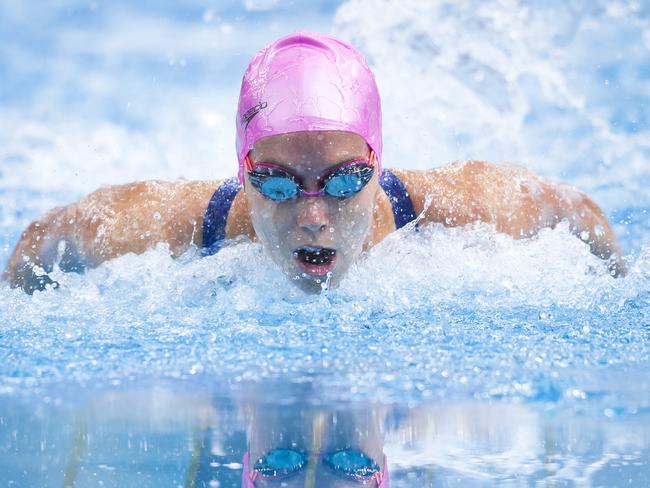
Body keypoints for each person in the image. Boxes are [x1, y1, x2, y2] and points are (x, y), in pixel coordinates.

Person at [2, 31, 624, 294]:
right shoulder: (157, 229)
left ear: (377, 163)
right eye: (275, 181)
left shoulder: (465, 208)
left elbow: (573, 208)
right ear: (242, 171)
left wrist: (623, 282)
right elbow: (40, 239)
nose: (314, 217)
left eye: (346, 179)